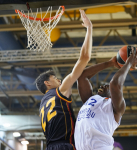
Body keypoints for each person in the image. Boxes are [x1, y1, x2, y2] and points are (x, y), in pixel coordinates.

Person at [35, 10, 92, 150]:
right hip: (64, 146)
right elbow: (84, 58)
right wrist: (89, 28)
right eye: (55, 78)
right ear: (47, 83)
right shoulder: (60, 92)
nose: (59, 80)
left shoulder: (43, 104)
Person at [74, 47, 137, 150]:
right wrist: (109, 63)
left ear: (113, 95)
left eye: (106, 86)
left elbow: (115, 84)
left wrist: (128, 63)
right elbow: (82, 76)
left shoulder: (116, 108)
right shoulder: (90, 100)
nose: (102, 86)